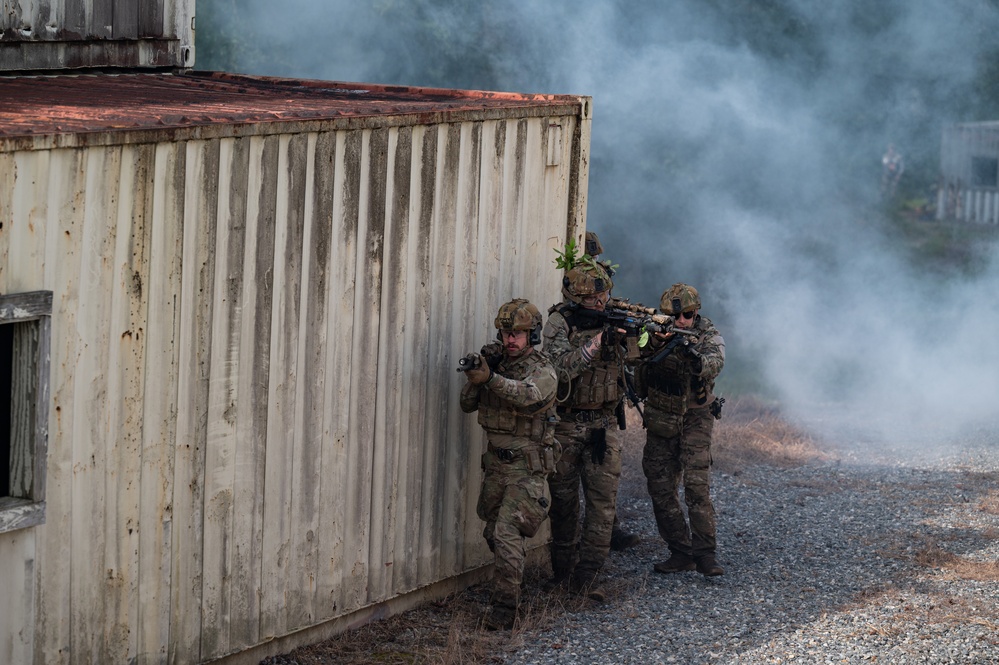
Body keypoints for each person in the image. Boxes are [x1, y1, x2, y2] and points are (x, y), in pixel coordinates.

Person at [459, 298, 559, 630]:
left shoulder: (543, 370)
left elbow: (527, 395)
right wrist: (478, 374)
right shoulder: (497, 364)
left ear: (533, 335)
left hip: (526, 468)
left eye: (517, 334)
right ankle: (513, 578)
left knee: (505, 533)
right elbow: (466, 404)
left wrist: (489, 379)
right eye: (505, 334)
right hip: (496, 467)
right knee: (494, 532)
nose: (510, 341)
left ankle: (504, 612)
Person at [543, 260, 628, 601]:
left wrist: (638, 338)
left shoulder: (614, 317)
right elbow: (559, 370)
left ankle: (588, 577)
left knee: (602, 506)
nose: (600, 302)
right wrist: (595, 344)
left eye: (603, 295)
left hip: (603, 425)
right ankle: (562, 574)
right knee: (563, 503)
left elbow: (635, 359)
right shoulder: (558, 322)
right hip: (565, 423)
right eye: (593, 298)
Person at [636, 283, 726, 577]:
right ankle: (680, 550)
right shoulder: (653, 331)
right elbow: (635, 354)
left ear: (696, 312)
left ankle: (705, 554)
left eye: (687, 315)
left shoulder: (707, 333)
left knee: (696, 487)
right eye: (674, 317)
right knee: (660, 486)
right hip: (662, 417)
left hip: (695, 418)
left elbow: (715, 362)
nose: (681, 322)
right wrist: (655, 342)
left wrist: (693, 356)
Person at [583, 230, 640, 552]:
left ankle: (608, 531)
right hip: (577, 395)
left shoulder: (602, 286)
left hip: (605, 395)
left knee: (604, 479)